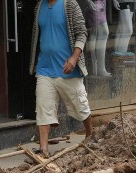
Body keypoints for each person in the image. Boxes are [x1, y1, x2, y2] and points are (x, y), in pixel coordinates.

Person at [29, 0, 94, 157]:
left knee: (81, 107)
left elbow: (82, 33)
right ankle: (44, 150)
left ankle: (90, 135)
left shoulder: (69, 4)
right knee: (43, 108)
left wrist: (74, 58)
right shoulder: (39, 7)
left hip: (67, 69)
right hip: (45, 69)